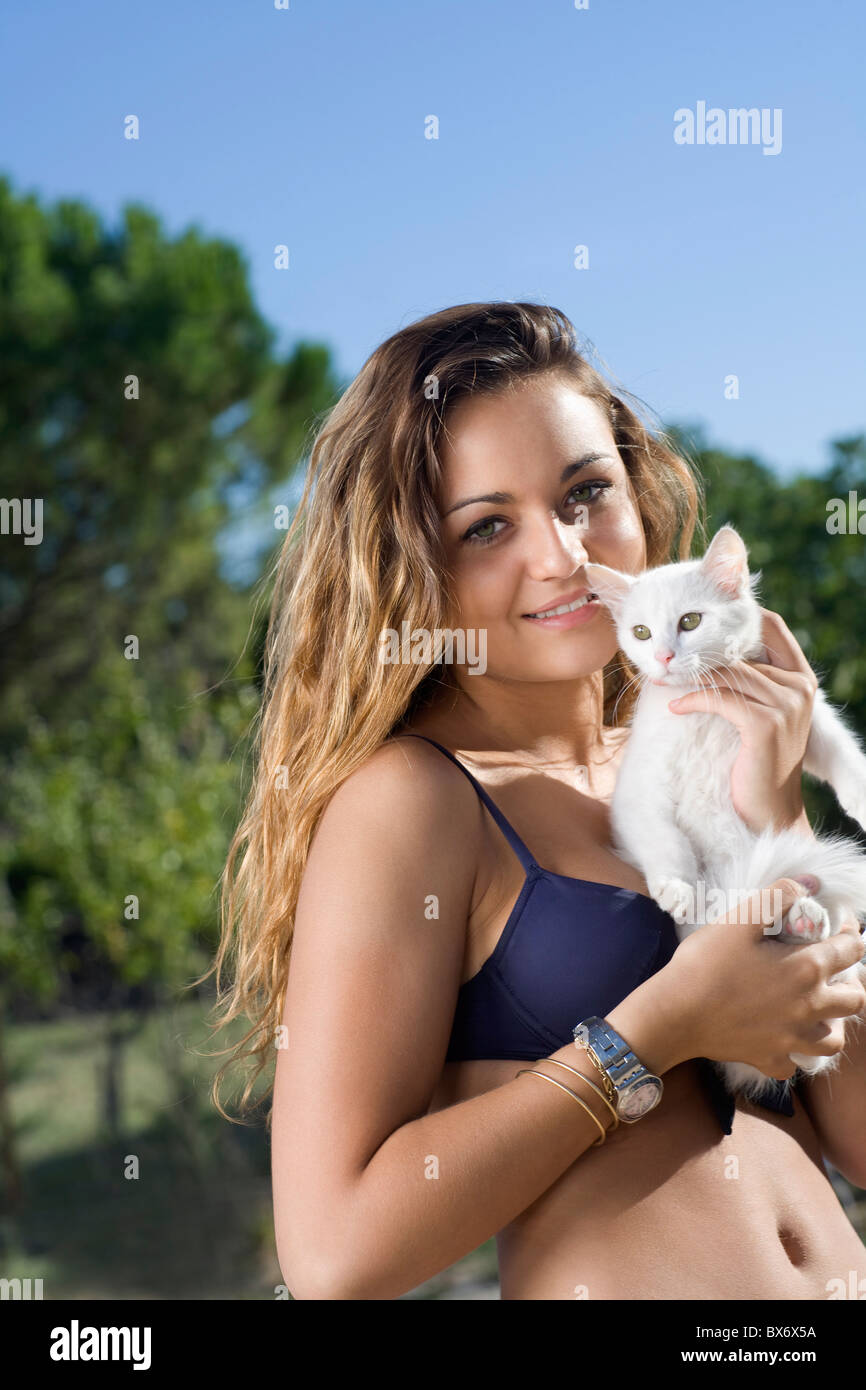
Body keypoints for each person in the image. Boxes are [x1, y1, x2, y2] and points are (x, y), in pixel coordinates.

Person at [211, 302, 866, 1300]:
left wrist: (773, 822)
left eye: (583, 492)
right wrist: (654, 1031)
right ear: (411, 568)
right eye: (486, 526)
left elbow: (855, 1141)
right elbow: (334, 1252)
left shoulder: (687, 754)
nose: (560, 555)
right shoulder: (416, 801)